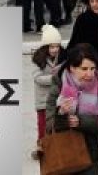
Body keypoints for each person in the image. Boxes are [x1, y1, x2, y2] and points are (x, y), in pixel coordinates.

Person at [45, 43, 98, 175]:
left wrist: (81, 122)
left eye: (93, 68)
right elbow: (49, 125)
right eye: (84, 68)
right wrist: (62, 114)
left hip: (92, 155)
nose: (90, 74)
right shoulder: (59, 86)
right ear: (72, 68)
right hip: (65, 155)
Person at [31, 26, 64, 159]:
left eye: (57, 46)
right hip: (43, 100)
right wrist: (55, 78)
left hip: (57, 98)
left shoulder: (62, 58)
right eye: (51, 47)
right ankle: (41, 147)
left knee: (56, 123)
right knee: (43, 124)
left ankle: (55, 146)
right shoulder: (38, 60)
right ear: (45, 47)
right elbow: (38, 78)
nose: (55, 50)